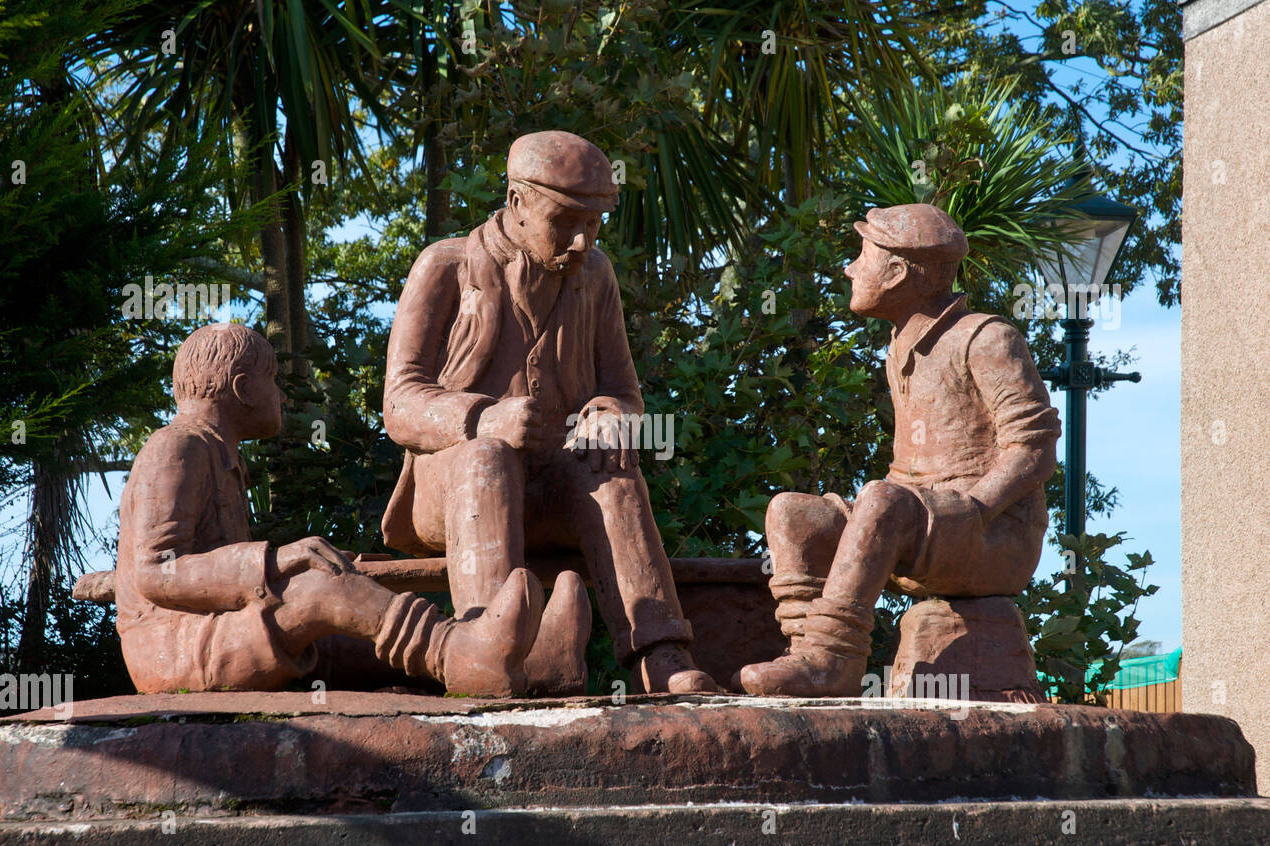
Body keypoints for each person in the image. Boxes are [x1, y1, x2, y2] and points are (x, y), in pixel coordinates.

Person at [381, 130, 717, 694]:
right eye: (566, 222)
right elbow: (398, 404)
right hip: (453, 487)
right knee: (486, 459)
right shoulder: (445, 267)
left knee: (611, 470)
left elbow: (624, 392)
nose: (583, 241)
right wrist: (482, 419)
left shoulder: (596, 277)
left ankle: (660, 657)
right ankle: (493, 649)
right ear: (517, 203)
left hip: (552, 489)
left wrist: (610, 414)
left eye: (594, 224)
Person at [114, 322, 543, 696]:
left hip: (216, 628)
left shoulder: (215, 455)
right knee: (320, 593)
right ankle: (464, 655)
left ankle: (531, 666)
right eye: (274, 380)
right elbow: (157, 570)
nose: (281, 395)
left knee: (354, 627)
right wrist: (278, 561)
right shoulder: (177, 446)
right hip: (175, 648)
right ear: (244, 389)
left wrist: (338, 568)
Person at [737, 204, 1061, 697]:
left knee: (883, 499)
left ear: (895, 272)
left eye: (862, 256)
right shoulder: (899, 348)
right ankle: (809, 652)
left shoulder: (987, 337)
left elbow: (1033, 449)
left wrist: (974, 508)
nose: (850, 268)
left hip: (993, 534)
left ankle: (834, 659)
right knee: (792, 514)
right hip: (920, 522)